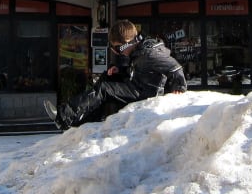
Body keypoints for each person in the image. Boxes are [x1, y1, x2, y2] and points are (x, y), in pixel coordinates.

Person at [44, 19, 187, 129]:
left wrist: (179, 88)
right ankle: (86, 120)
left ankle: (63, 117)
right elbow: (144, 71)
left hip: (146, 94)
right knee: (108, 77)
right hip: (139, 86)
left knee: (105, 88)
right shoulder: (141, 51)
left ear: (126, 43)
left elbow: (174, 67)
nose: (118, 52)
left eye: (118, 48)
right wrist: (121, 70)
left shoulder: (150, 53)